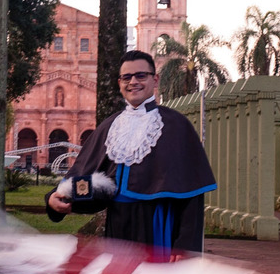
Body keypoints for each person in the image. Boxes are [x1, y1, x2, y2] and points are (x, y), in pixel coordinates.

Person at [46, 49, 216, 260]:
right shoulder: (110, 126)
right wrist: (54, 198)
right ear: (120, 83)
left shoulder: (177, 125)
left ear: (155, 79)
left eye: (140, 75)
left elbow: (192, 193)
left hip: (158, 226)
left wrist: (184, 245)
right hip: (118, 226)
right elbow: (83, 172)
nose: (133, 81)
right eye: (126, 77)